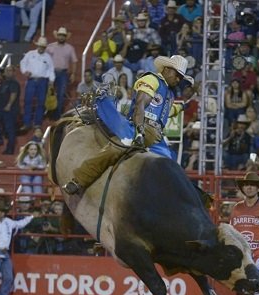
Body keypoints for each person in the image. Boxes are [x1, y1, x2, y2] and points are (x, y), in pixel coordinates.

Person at [62, 55, 192, 195]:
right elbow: (140, 104)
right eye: (177, 75)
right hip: (142, 127)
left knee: (172, 167)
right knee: (115, 149)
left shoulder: (168, 93)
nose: (178, 80)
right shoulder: (152, 79)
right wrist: (139, 131)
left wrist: (181, 107)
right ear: (166, 69)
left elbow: (166, 112)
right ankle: (79, 180)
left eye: (180, 78)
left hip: (156, 135)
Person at [19, 36, 55, 131]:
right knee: (28, 101)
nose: (42, 48)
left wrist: (51, 81)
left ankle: (37, 123)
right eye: (40, 46)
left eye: (43, 47)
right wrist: (25, 71)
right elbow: (23, 63)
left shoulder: (48, 57)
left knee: (41, 102)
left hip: (42, 81)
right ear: (38, 46)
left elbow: (51, 69)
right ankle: (27, 122)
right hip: (31, 80)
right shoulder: (30, 54)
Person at [47, 27, 78, 118]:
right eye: (60, 35)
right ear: (57, 36)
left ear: (65, 37)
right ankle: (50, 112)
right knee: (50, 93)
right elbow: (45, 59)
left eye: (63, 36)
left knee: (61, 93)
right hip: (52, 72)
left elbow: (74, 61)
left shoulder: (70, 48)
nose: (61, 37)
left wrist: (73, 73)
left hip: (63, 73)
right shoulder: (50, 46)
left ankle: (57, 113)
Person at [0, 65, 20, 154]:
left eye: (10, 70)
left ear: (13, 72)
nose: (8, 72)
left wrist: (9, 105)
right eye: (7, 70)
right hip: (1, 108)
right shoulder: (4, 83)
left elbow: (13, 94)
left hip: (10, 109)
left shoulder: (14, 83)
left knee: (10, 129)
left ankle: (10, 149)